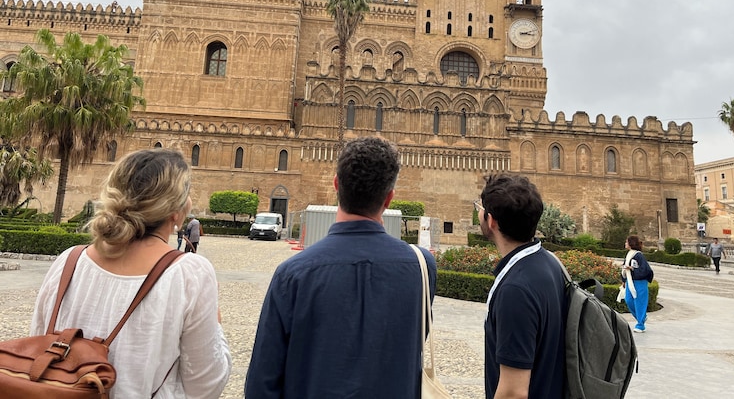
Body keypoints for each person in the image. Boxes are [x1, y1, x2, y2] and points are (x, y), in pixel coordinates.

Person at [245, 136, 436, 399]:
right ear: (389, 198)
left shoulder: (292, 274)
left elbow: (262, 383)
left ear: (336, 185)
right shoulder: (422, 268)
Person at [30, 149, 231, 398]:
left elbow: (38, 350)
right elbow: (206, 385)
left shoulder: (69, 261)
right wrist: (216, 326)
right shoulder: (190, 274)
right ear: (175, 211)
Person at [478, 173, 566, 399]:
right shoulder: (548, 263)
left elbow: (513, 392)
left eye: (480, 207)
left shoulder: (515, 290)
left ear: (491, 221)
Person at [621, 235, 653, 333]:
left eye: (627, 242)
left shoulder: (639, 255)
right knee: (628, 300)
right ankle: (642, 317)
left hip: (640, 282)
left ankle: (640, 324)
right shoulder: (629, 255)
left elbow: (645, 270)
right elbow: (625, 268)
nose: (625, 244)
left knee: (640, 302)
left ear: (631, 243)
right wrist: (623, 279)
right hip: (630, 281)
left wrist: (633, 269)